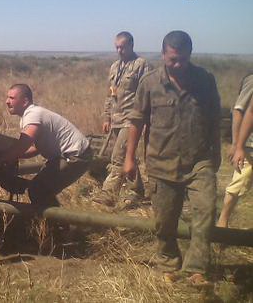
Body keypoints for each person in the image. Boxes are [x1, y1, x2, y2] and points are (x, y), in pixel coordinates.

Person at [123, 31, 221, 285]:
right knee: (165, 221)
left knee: (205, 211)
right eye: (172, 60)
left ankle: (196, 269)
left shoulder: (205, 81)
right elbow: (136, 121)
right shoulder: (150, 83)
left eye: (183, 60)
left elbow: (214, 120)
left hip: (199, 161)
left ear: (190, 55)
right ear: (163, 55)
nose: (177, 65)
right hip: (160, 162)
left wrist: (216, 154)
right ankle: (168, 262)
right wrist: (129, 158)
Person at [0, 84, 92, 210]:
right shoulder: (31, 115)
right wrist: (13, 155)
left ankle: (56, 225)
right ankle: (51, 223)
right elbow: (35, 148)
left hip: (75, 156)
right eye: (7, 97)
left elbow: (23, 145)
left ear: (25, 101)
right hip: (71, 154)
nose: (7, 101)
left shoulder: (32, 115)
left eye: (12, 98)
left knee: (38, 189)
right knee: (39, 188)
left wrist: (1, 160)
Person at [96, 31, 151, 209]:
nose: (119, 50)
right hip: (116, 118)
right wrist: (107, 116)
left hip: (132, 119)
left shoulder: (141, 65)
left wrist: (144, 119)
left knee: (118, 158)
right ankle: (138, 190)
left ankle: (108, 195)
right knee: (128, 157)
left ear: (131, 45)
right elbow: (109, 94)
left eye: (123, 47)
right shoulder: (114, 67)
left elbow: (146, 94)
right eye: (117, 47)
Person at [218, 73, 253, 228]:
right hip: (250, 145)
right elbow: (240, 110)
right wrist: (236, 144)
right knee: (238, 184)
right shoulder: (251, 80)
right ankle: (223, 221)